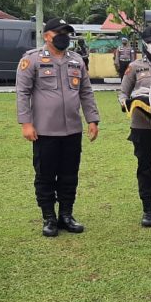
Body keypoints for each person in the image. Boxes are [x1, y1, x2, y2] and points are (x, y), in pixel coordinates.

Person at [16, 18, 100, 237]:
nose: (64, 37)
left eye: (67, 33)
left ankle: (66, 215)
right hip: (45, 131)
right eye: (59, 33)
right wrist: (26, 123)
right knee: (45, 176)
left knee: (69, 175)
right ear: (47, 36)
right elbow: (23, 92)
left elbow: (86, 92)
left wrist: (92, 120)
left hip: (72, 130)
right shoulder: (32, 60)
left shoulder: (76, 60)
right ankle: (49, 218)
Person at [118, 26, 151, 228]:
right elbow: (123, 93)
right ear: (144, 44)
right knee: (145, 167)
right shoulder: (134, 67)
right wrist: (127, 104)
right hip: (142, 127)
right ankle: (148, 209)